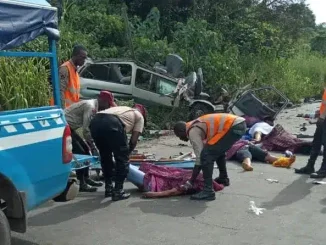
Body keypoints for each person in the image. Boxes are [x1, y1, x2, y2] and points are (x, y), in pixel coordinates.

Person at [173, 113, 247, 201]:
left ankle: (208, 191)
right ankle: (223, 178)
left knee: (206, 156)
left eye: (179, 136)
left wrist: (191, 181)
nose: (180, 139)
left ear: (181, 131)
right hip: (238, 124)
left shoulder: (192, 131)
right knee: (217, 151)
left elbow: (200, 158)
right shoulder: (195, 125)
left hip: (232, 126)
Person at [90, 104, 147, 201]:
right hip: (112, 123)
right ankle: (118, 191)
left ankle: (108, 188)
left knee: (105, 156)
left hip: (95, 122)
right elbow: (133, 141)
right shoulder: (139, 116)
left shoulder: (122, 109)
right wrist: (126, 155)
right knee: (122, 160)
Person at [65, 91, 116, 192]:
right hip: (64, 127)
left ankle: (86, 178)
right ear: (102, 100)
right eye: (107, 104)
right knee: (81, 153)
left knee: (85, 151)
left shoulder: (94, 106)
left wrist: (92, 146)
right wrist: (93, 146)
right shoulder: (91, 107)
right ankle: (81, 183)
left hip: (70, 128)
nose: (107, 107)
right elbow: (86, 130)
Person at [127, 163, 224, 198]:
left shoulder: (200, 181)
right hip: (154, 178)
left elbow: (177, 190)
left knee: (123, 166)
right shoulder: (199, 175)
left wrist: (156, 194)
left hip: (152, 183)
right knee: (123, 165)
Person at [295, 82, 326, 178]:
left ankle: (324, 169)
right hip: (322, 118)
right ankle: (310, 166)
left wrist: (322, 117)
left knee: (324, 144)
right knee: (316, 143)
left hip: (324, 119)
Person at [226, 140, 296, 171]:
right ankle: (247, 165)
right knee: (246, 155)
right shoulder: (227, 142)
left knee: (266, 155)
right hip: (239, 150)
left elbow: (249, 142)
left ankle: (286, 161)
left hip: (249, 146)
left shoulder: (239, 139)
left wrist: (251, 143)